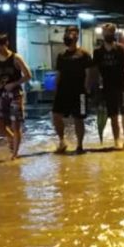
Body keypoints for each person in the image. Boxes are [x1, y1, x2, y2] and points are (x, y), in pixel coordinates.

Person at [92, 23, 124, 149]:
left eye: (110, 32)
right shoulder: (98, 52)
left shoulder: (121, 49)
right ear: (102, 34)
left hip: (123, 87)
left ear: (114, 33)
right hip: (108, 88)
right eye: (106, 32)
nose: (108, 35)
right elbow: (93, 71)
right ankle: (117, 142)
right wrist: (91, 88)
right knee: (113, 117)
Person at [0, 31, 31, 159]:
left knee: (15, 124)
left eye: (0, 45)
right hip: (1, 94)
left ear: (6, 43)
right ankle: (11, 137)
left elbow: (28, 75)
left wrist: (14, 84)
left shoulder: (16, 58)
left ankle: (15, 154)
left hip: (15, 94)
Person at [52, 25, 92, 154]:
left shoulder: (84, 54)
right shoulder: (61, 55)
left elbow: (89, 73)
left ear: (77, 36)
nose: (70, 35)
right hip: (63, 91)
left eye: (73, 33)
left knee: (78, 118)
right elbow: (58, 73)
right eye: (68, 33)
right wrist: (55, 88)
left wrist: (87, 89)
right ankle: (62, 141)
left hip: (80, 92)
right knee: (56, 115)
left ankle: (80, 145)